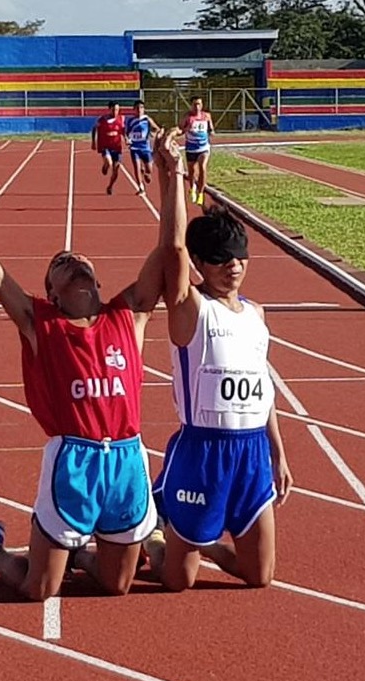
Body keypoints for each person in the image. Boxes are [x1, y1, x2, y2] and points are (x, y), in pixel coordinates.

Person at [0, 153, 179, 600]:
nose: (75, 261)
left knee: (117, 585)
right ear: (51, 293)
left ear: (98, 282)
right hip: (74, 461)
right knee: (39, 589)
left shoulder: (129, 315)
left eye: (81, 259)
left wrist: (171, 176)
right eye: (62, 263)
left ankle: (79, 555)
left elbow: (168, 252)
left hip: (126, 458)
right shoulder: (40, 323)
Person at [143, 129, 293, 592]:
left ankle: (194, 539)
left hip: (252, 453)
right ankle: (157, 538)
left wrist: (278, 453)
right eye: (221, 259)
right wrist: (173, 174)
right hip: (203, 453)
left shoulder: (256, 315)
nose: (233, 266)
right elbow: (172, 250)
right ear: (201, 263)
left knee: (260, 576)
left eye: (239, 257)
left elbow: (263, 391)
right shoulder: (191, 308)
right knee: (176, 581)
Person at [179, 96, 214, 207]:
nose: (197, 107)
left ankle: (201, 193)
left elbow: (211, 129)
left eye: (199, 104)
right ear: (191, 105)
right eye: (195, 104)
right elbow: (180, 130)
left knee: (202, 167)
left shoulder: (206, 116)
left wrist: (211, 132)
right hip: (191, 148)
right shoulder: (187, 117)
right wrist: (187, 128)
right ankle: (192, 188)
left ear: (202, 105)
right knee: (192, 171)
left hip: (204, 147)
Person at [124, 99, 161, 195]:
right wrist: (127, 139)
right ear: (134, 109)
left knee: (149, 169)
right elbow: (126, 133)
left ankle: (145, 172)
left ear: (144, 109)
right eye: (137, 108)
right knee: (136, 167)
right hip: (134, 147)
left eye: (141, 108)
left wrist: (153, 133)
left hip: (145, 148)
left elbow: (157, 129)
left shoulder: (147, 119)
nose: (139, 110)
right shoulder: (131, 121)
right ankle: (141, 187)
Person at [91, 101, 124, 195]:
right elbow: (94, 128)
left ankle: (110, 186)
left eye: (117, 110)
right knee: (109, 162)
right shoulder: (102, 119)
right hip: (106, 147)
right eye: (114, 110)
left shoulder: (121, 119)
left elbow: (123, 131)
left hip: (117, 147)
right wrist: (93, 142)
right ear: (109, 109)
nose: (115, 112)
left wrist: (127, 139)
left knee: (116, 169)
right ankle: (105, 166)